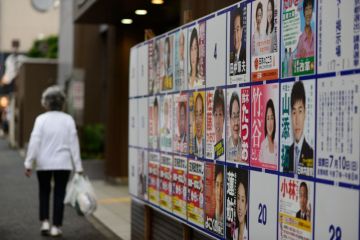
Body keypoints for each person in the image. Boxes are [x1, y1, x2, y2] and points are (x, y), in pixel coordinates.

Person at [24, 86, 83, 237]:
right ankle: (56, 226)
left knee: (44, 192)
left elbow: (34, 142)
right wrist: (78, 166)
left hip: (43, 164)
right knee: (59, 194)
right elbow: (74, 143)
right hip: (63, 164)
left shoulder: (41, 119)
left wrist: (29, 163)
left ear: (46, 103)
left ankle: (44, 222)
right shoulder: (68, 119)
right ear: (62, 103)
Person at [284, 81, 313, 175]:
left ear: (305, 113)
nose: (297, 120)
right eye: (294, 112)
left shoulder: (311, 154)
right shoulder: (287, 154)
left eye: (300, 111)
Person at [259, 99, 278, 165]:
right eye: (268, 118)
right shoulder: (263, 146)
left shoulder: (277, 146)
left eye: (272, 118)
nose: (270, 123)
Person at [227, 92, 242, 162]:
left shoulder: (246, 147)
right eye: (233, 116)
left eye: (238, 116)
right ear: (229, 120)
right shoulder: (224, 148)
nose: (236, 123)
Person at [231, 8, 246, 74]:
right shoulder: (230, 57)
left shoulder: (245, 55)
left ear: (242, 31)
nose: (236, 35)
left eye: (237, 30)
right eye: (234, 31)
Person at [233, 175, 248, 240]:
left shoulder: (249, 234)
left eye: (242, 200)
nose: (239, 207)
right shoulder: (234, 233)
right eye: (238, 198)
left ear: (247, 205)